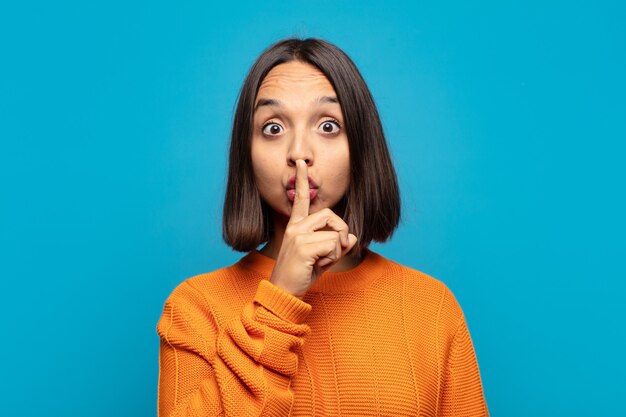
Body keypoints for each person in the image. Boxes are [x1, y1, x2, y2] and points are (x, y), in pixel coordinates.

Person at [156, 37, 488, 417]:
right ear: (246, 153)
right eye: (273, 128)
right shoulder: (195, 308)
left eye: (328, 125)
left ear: (361, 145)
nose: (299, 152)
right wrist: (280, 300)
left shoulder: (431, 307)